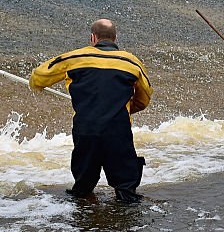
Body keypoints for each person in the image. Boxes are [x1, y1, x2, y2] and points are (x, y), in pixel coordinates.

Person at [29, 19, 152, 203]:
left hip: (85, 129)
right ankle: (127, 226)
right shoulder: (131, 62)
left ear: (92, 37)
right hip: (118, 131)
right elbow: (144, 98)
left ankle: (85, 221)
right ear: (115, 38)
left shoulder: (74, 58)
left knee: (82, 190)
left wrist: (38, 85)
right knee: (127, 192)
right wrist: (124, 109)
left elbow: (38, 77)